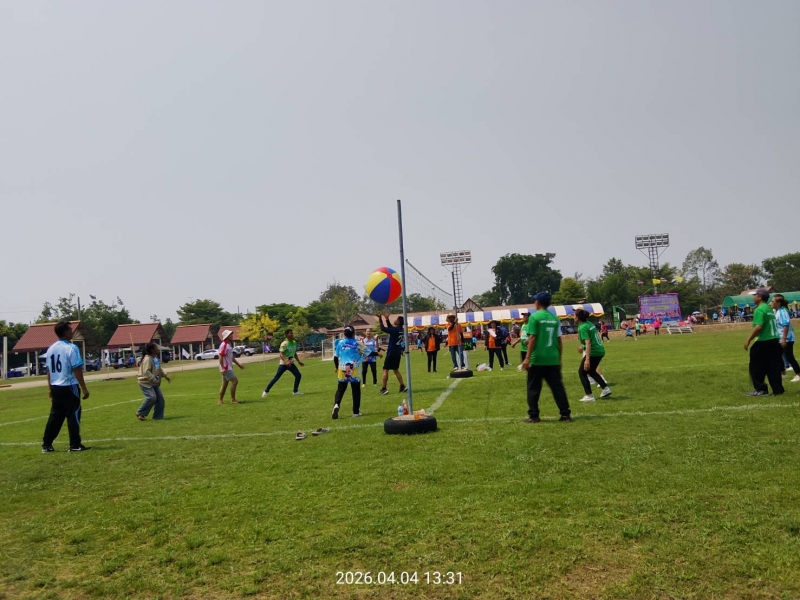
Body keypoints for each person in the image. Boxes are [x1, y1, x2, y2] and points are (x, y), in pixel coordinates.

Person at [41, 321, 91, 452]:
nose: (72, 332)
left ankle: (46, 445)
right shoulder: (71, 348)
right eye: (70, 329)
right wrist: (84, 388)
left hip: (56, 386)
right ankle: (75, 444)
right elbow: (77, 368)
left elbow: (49, 371)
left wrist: (50, 389)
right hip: (69, 386)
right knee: (73, 414)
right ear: (65, 332)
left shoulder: (51, 348)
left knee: (55, 416)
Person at [521, 292, 571, 423]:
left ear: (538, 302)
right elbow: (559, 340)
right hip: (553, 358)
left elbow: (533, 337)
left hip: (538, 359)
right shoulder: (554, 318)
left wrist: (527, 358)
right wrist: (559, 359)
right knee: (558, 388)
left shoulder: (534, 317)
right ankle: (565, 414)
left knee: (533, 388)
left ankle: (534, 416)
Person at [743, 290, 784, 396]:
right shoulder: (769, 308)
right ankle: (778, 389)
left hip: (764, 340)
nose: (754, 297)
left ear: (760, 297)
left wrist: (748, 339)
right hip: (774, 340)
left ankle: (760, 389)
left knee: (755, 366)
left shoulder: (759, 309)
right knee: (773, 366)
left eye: (755, 295)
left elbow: (758, 327)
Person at [331, 326, 377, 418]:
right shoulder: (358, 343)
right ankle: (356, 412)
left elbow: (335, 357)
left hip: (342, 368)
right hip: (354, 369)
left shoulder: (340, 343)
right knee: (356, 390)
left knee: (340, 389)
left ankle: (336, 404)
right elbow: (369, 352)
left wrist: (336, 367)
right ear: (353, 333)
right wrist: (377, 353)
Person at [574, 309, 612, 402]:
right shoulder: (589, 323)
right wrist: (582, 346)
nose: (573, 317)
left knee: (582, 372)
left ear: (578, 317)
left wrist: (587, 359)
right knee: (591, 371)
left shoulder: (582, 328)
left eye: (574, 315)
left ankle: (589, 396)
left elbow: (588, 343)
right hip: (600, 350)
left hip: (594, 352)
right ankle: (606, 389)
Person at [262, 329, 305, 396]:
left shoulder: (294, 342)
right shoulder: (284, 343)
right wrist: (286, 361)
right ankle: (266, 391)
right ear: (287, 335)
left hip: (291, 363)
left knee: (298, 375)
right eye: (290, 333)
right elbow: (281, 354)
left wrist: (299, 361)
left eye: (292, 333)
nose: (292, 334)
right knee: (276, 377)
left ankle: (295, 391)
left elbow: (294, 353)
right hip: (283, 364)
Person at [136, 342, 171, 420]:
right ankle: (140, 412)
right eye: (156, 348)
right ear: (152, 350)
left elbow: (159, 369)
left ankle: (158, 417)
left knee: (160, 400)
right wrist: (155, 380)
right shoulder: (147, 359)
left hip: (153, 382)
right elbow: (146, 372)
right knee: (151, 397)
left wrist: (165, 376)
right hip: (145, 382)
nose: (157, 349)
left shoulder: (154, 358)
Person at [772, 294, 800, 383]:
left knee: (789, 356)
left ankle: (798, 374)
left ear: (778, 303)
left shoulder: (782, 312)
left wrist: (784, 338)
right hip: (780, 337)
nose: (771, 303)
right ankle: (783, 373)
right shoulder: (777, 311)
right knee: (777, 355)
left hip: (787, 338)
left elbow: (786, 325)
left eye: (773, 301)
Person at [377, 313, 407, 395]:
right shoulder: (401, 330)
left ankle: (384, 389)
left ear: (398, 322)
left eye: (396, 319)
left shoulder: (395, 330)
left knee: (385, 369)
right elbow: (391, 328)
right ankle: (402, 386)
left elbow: (383, 328)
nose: (395, 320)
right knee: (396, 369)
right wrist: (387, 319)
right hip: (397, 353)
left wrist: (380, 318)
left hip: (391, 353)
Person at [218, 329, 245, 404]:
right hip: (226, 368)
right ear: (227, 336)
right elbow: (220, 357)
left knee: (224, 384)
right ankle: (233, 399)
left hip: (227, 367)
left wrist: (238, 365)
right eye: (230, 335)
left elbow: (231, 357)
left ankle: (220, 400)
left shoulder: (228, 345)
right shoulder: (224, 345)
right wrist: (223, 368)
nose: (232, 336)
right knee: (235, 381)